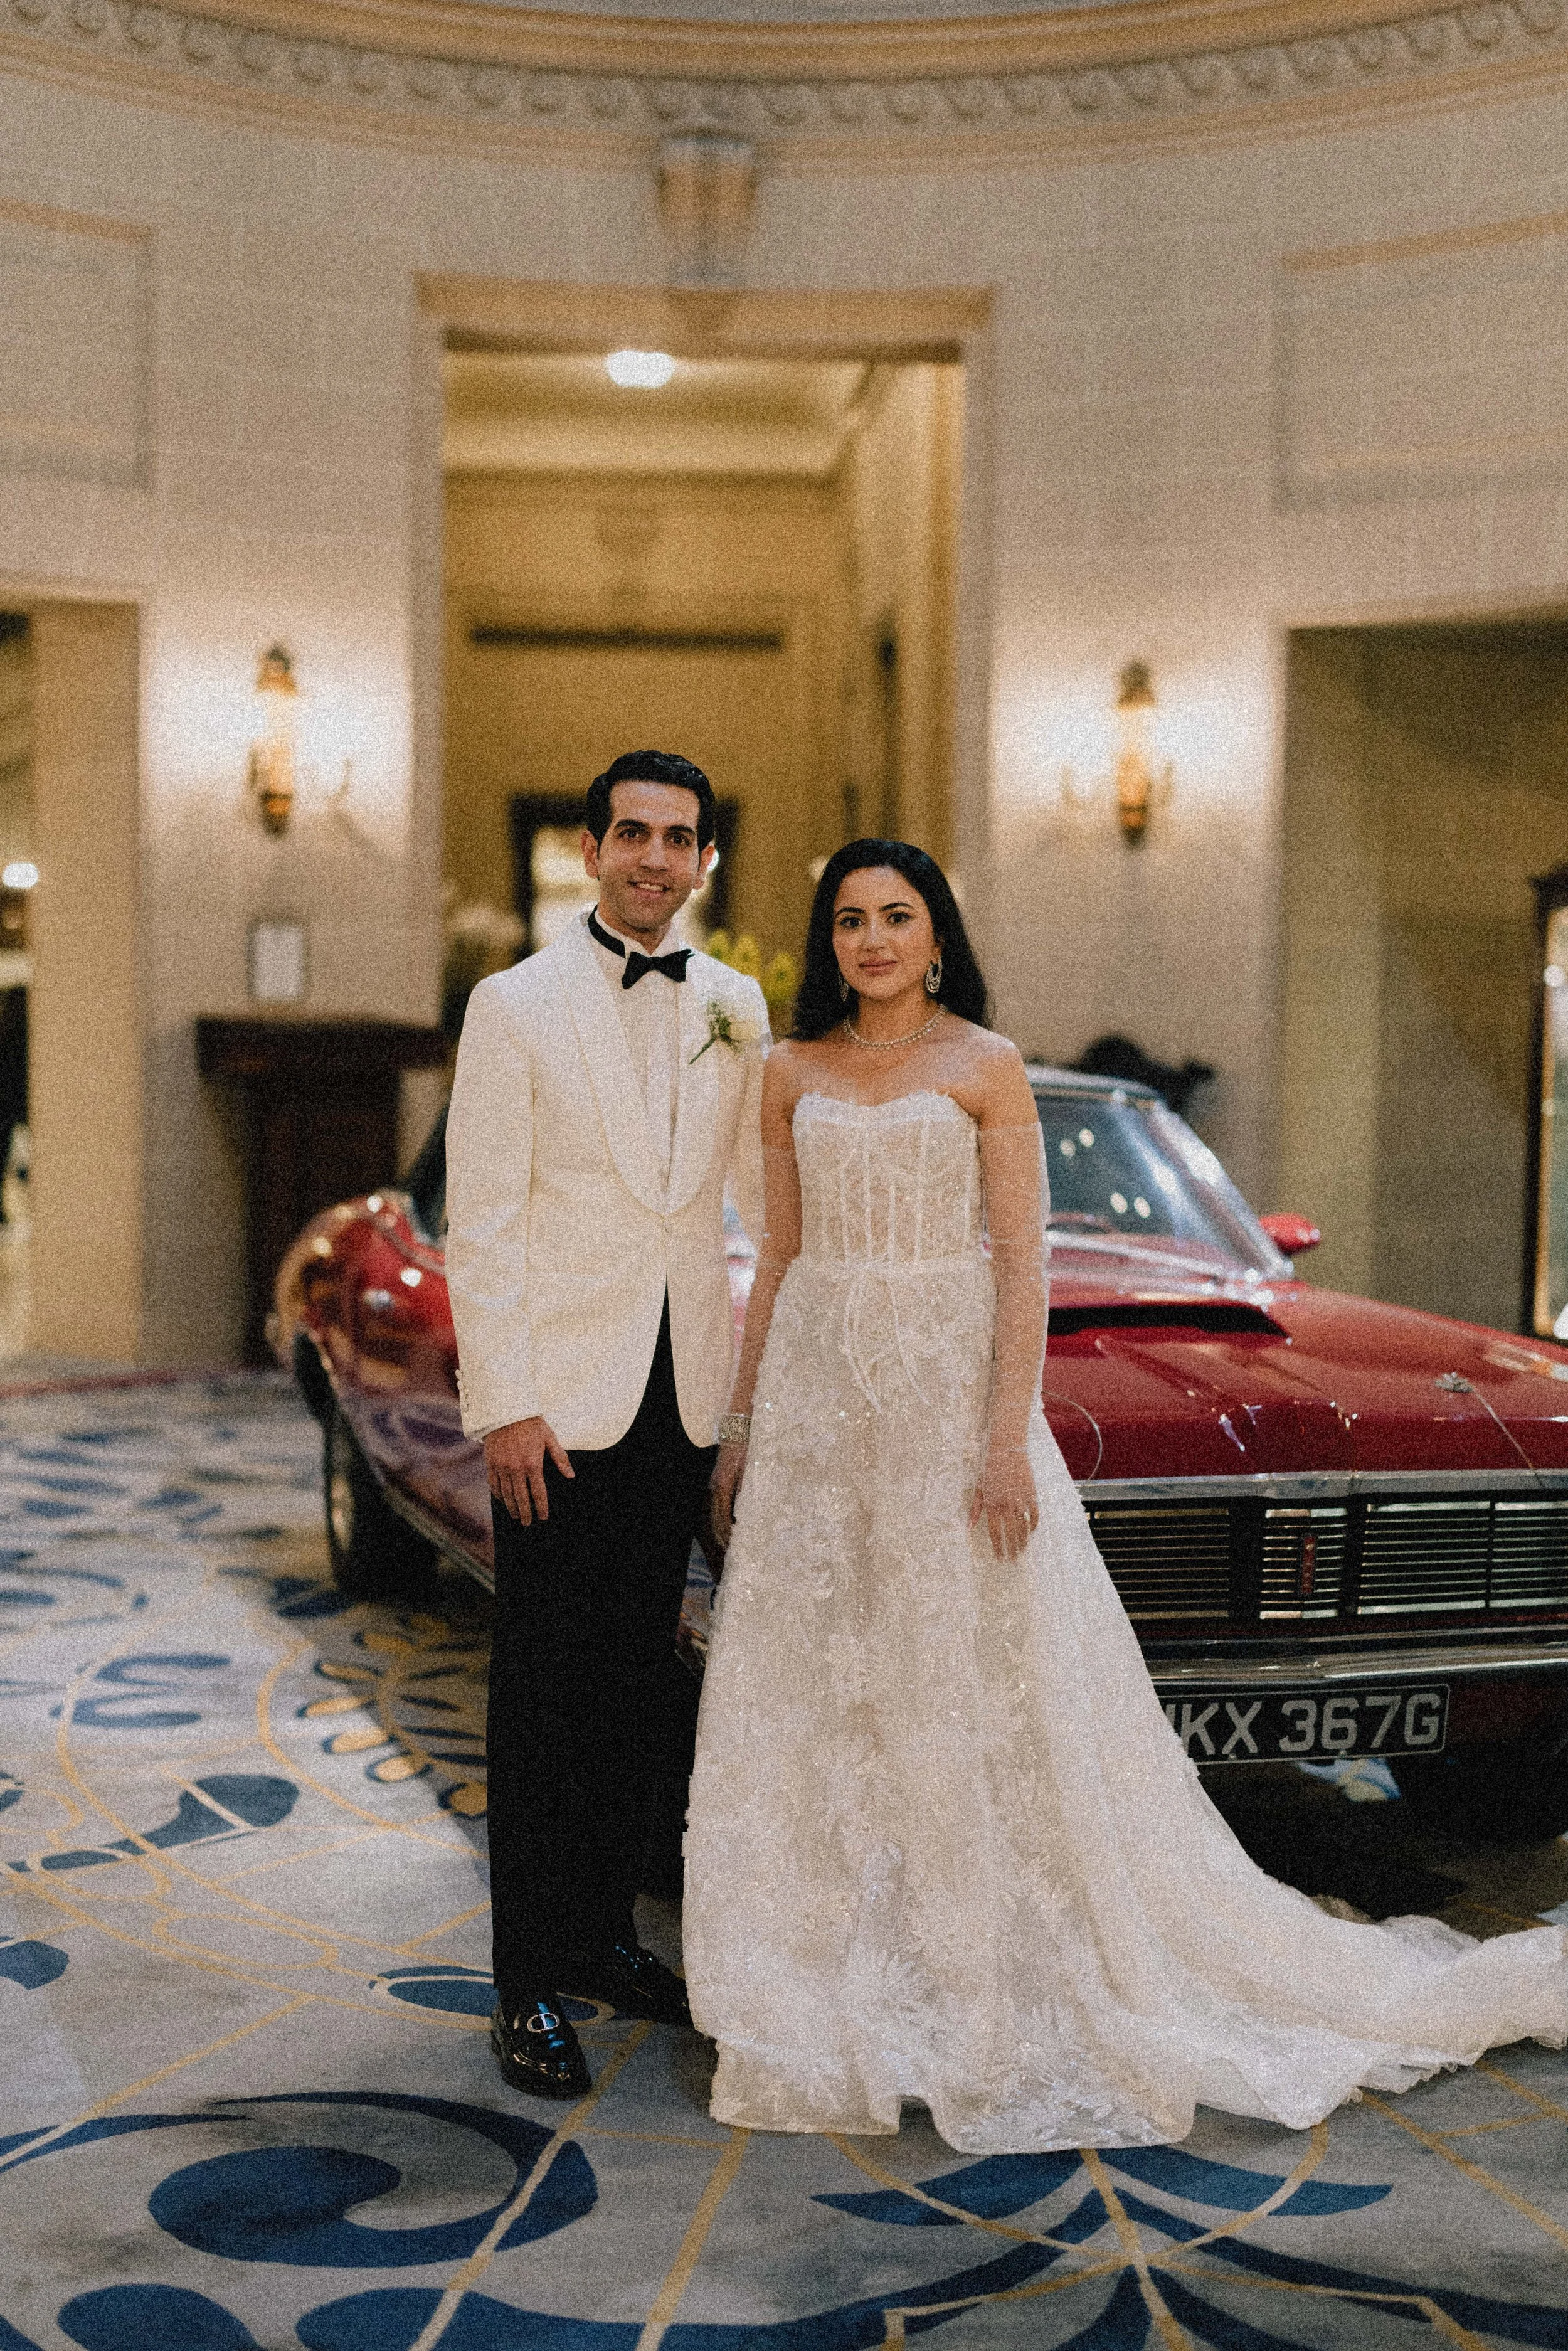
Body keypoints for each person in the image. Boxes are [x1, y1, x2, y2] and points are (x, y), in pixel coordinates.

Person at [682, 837, 1568, 2153]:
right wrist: (741, 1429)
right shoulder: (790, 1071)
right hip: (818, 1416)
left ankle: (972, 1972)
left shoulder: (983, 1066)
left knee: (959, 1683)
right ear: (831, 941)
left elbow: (1022, 1271)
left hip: (942, 1407)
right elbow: (782, 1258)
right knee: (825, 1680)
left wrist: (997, 1443)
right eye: (851, 919)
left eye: (897, 916)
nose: (872, 939)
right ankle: (821, 1967)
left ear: (936, 937)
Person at [446, 750, 768, 2099]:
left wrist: (741, 1411)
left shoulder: (739, 1007)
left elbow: (761, 1210)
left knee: (641, 1691)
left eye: (677, 837)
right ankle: (524, 1979)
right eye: (630, 832)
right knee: (540, 1695)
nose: (653, 856)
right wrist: (504, 1401)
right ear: (591, 848)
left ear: (703, 861)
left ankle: (602, 1938)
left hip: (680, 1397)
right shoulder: (511, 1004)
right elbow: (485, 1217)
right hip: (556, 1409)